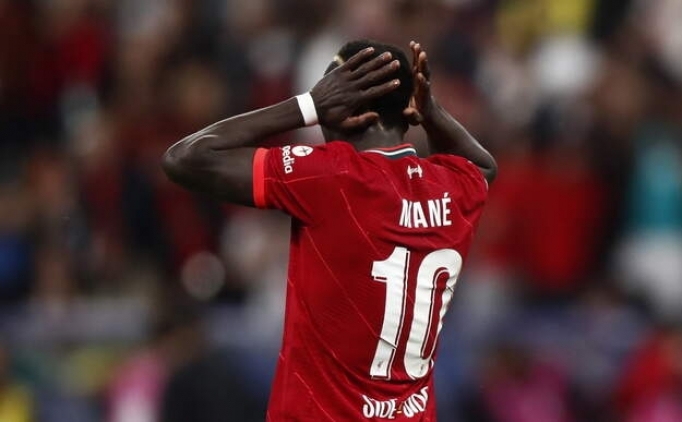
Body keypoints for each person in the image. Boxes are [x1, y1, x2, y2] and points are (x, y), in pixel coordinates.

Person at [162, 39, 496, 421]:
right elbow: (483, 166)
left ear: (344, 111)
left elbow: (185, 158)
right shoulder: (453, 187)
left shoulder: (332, 177)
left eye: (331, 95)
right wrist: (429, 110)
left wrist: (308, 105)